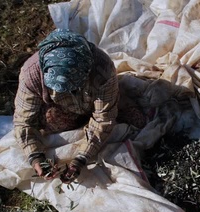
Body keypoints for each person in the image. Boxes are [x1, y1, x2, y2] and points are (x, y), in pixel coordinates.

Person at [13, 29, 145, 183]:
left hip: (95, 100)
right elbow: (24, 121)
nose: (70, 93)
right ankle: (80, 120)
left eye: (74, 87)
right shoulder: (31, 75)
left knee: (137, 120)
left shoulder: (102, 69)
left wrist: (82, 158)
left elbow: (104, 119)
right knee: (50, 120)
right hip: (62, 108)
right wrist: (36, 157)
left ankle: (114, 101)